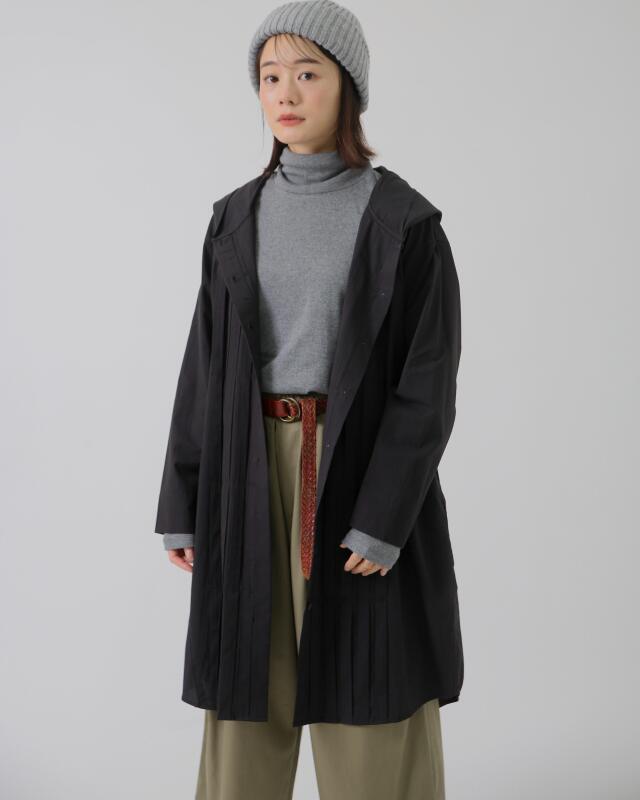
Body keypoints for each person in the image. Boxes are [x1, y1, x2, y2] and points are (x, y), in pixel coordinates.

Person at [154, 1, 464, 798]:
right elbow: (206, 366)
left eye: (307, 73)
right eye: (269, 76)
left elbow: (427, 384)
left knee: (370, 700)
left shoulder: (405, 223)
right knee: (244, 704)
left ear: (347, 86)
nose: (285, 93)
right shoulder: (234, 218)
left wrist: (385, 515)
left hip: (354, 467)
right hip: (249, 469)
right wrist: (184, 499)